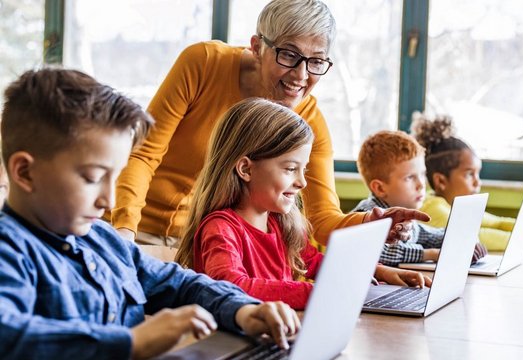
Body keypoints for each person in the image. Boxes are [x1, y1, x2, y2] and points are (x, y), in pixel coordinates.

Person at [0, 68, 301, 360]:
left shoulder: (102, 238)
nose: (109, 200)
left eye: (114, 177)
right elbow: (9, 336)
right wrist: (131, 343)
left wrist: (243, 311)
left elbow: (180, 283)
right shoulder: (9, 251)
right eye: (92, 178)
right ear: (25, 172)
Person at [109, 0, 429, 247]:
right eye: (289, 55)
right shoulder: (203, 63)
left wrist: (371, 224)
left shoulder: (310, 122)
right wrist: (124, 231)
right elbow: (142, 154)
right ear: (257, 46)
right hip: (139, 231)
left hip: (208, 246)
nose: (301, 76)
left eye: (316, 61)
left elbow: (322, 218)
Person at [176, 98, 431, 310]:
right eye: (290, 169)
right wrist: (316, 294)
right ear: (245, 168)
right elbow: (230, 286)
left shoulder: (278, 223)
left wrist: (377, 271)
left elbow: (318, 263)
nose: (302, 183)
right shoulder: (221, 229)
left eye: (303, 170)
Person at [411, 112, 523, 251]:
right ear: (441, 181)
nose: (477, 183)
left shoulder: (457, 206)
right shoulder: (432, 209)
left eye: (478, 174)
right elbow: (469, 236)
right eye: (469, 175)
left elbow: (497, 223)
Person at [352, 130, 487, 266]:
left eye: (422, 174)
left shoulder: (407, 219)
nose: (421, 185)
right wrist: (432, 254)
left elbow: (431, 236)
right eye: (410, 177)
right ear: (380, 188)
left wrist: (465, 240)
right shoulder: (366, 214)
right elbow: (379, 252)